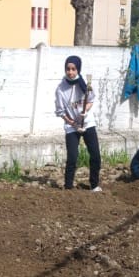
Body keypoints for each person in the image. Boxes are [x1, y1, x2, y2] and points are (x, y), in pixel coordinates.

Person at [54, 55, 101, 191]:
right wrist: (73, 123)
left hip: (87, 123)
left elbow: (91, 99)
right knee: (73, 157)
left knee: (95, 155)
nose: (70, 72)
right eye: (68, 69)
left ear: (78, 69)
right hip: (71, 126)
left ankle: (94, 184)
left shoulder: (85, 85)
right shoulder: (61, 89)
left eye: (73, 69)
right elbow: (60, 111)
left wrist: (85, 110)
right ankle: (68, 187)